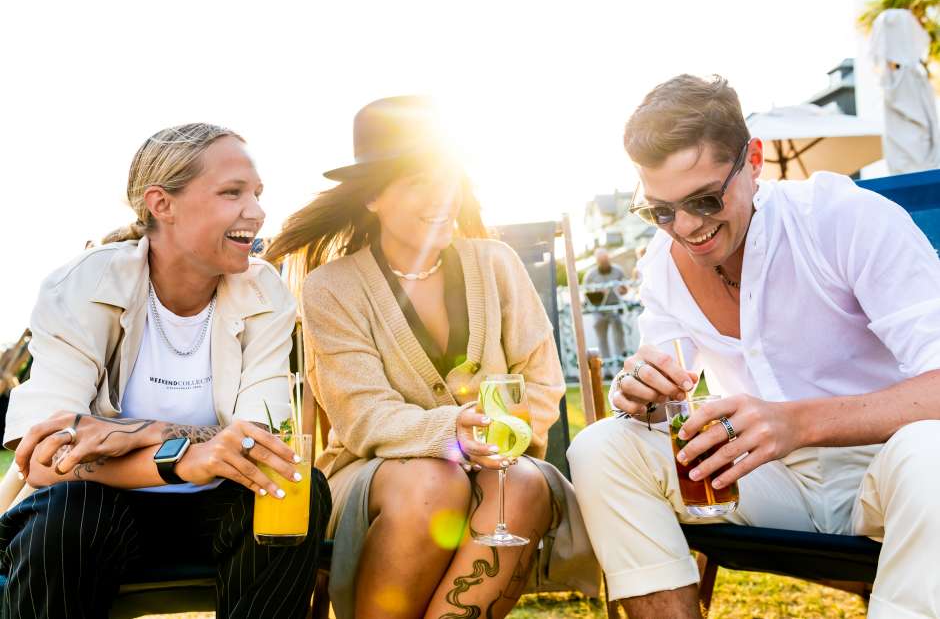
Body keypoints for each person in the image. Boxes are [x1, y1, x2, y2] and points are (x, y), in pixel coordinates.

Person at [567, 74, 940, 619]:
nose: (685, 228)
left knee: (933, 452)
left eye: (705, 199)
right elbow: (663, 392)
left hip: (891, 473)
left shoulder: (846, 219)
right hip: (766, 480)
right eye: (661, 211)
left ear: (755, 161)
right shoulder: (661, 265)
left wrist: (798, 422)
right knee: (601, 446)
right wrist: (642, 393)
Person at [265, 96, 596, 619]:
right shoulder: (332, 287)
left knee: (522, 483)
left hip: (500, 467)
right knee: (432, 482)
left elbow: (541, 383)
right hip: (373, 478)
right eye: (420, 182)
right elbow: (362, 415)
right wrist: (451, 435)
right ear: (372, 195)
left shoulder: (497, 264)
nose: (443, 198)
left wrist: (495, 444)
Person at [0, 123, 330, 619]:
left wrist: (135, 435)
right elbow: (45, 459)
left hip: (217, 510)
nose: (257, 212)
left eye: (257, 194)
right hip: (102, 510)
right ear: (162, 204)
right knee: (68, 513)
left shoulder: (265, 293)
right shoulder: (82, 284)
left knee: (294, 485)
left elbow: (263, 443)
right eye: (232, 192)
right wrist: (178, 455)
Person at [582, 248, 628, 362]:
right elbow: (585, 292)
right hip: (599, 311)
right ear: (597, 261)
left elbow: (626, 288)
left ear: (608, 258)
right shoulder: (590, 275)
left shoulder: (618, 271)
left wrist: (622, 290)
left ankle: (621, 361)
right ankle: (606, 365)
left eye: (605, 259)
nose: (604, 262)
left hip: (615, 308)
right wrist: (598, 293)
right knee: (601, 338)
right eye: (601, 260)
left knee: (619, 335)